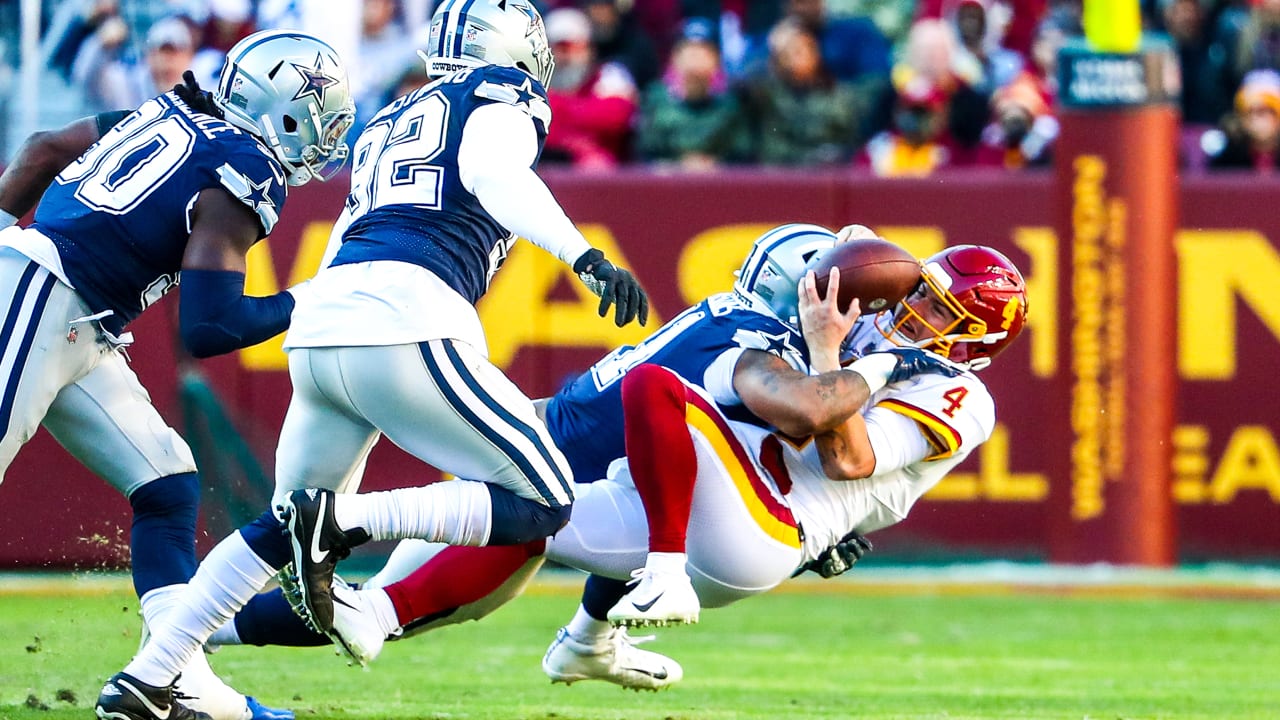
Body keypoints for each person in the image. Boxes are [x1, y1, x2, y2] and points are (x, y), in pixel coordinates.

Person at [96, 2, 647, 718]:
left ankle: (150, 673)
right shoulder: (502, 96)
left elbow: (356, 225)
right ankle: (348, 519)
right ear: (517, 46)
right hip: (407, 312)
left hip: (329, 323)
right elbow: (493, 174)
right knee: (543, 498)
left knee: (281, 533)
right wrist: (583, 254)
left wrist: (324, 311)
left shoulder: (391, 117)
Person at [203, 225, 984, 682]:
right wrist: (849, 359)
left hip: (568, 463)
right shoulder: (754, 343)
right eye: (829, 286)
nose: (870, 308)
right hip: (557, 479)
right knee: (381, 607)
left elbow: (765, 457)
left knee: (396, 603)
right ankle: (219, 614)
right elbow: (808, 413)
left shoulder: (733, 325)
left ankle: (212, 615)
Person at [0, 29, 354, 720]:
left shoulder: (172, 110)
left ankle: (174, 677)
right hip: (40, 294)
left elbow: (44, 148)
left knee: (166, 484)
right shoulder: (245, 168)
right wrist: (311, 298)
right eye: (318, 120)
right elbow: (210, 325)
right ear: (284, 111)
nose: (322, 139)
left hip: (76, 320)